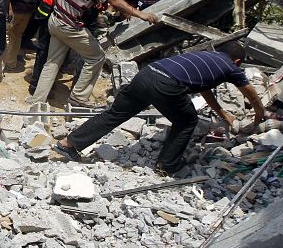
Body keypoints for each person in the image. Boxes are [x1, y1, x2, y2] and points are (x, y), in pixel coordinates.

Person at [53, 42, 266, 174]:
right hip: (167, 85)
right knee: (187, 121)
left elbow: (205, 90)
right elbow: (251, 94)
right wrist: (259, 115)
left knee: (115, 114)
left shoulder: (206, 57)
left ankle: (68, 144)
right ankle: (167, 165)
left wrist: (222, 113)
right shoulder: (232, 68)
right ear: (237, 61)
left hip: (148, 73)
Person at [29, 0, 158, 106]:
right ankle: (78, 98)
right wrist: (140, 14)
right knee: (97, 56)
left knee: (52, 63)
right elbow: (113, 0)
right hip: (68, 26)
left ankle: (36, 101)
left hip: (56, 20)